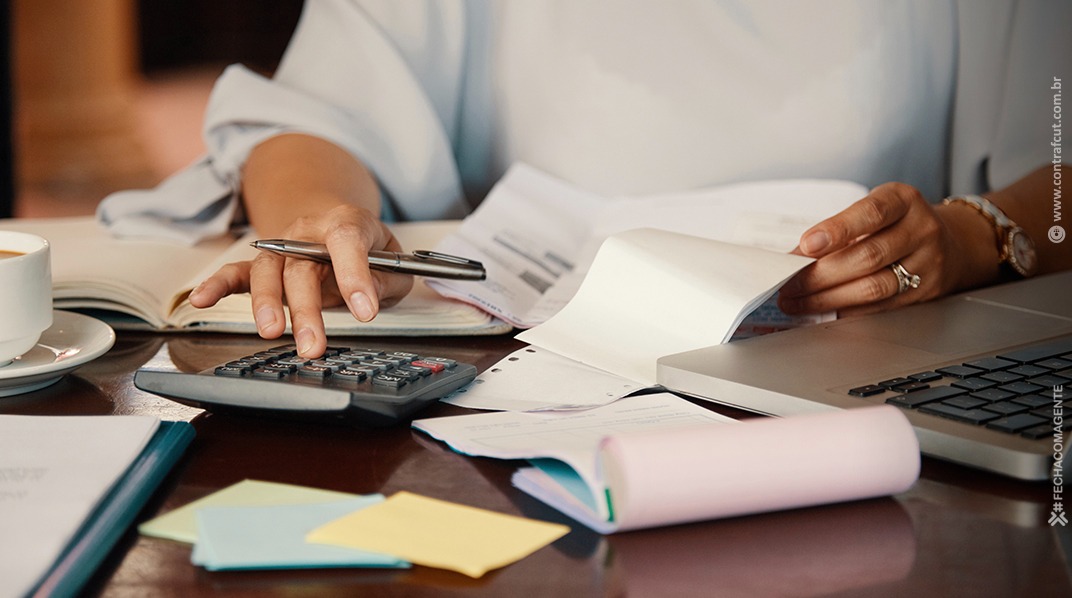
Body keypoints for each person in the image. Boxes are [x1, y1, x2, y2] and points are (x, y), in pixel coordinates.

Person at [98, 0, 1071, 359]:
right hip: (535, 366)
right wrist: (318, 214)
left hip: (858, 369)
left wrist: (976, 233)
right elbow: (312, 112)